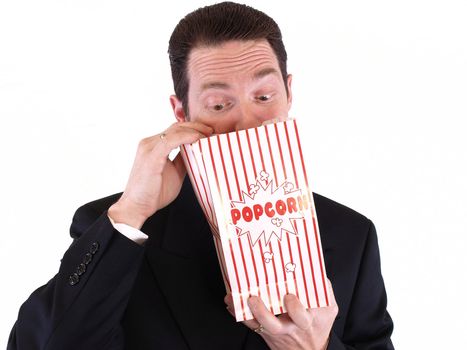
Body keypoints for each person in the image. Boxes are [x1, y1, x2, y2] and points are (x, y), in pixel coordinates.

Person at [7, 2, 394, 349]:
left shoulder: (350, 237)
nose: (246, 122)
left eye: (264, 97)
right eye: (219, 104)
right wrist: (130, 213)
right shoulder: (120, 231)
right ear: (181, 113)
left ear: (289, 94)